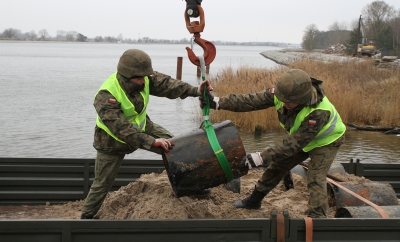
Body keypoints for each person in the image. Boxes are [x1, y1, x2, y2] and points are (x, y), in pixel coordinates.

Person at [81, 49, 212, 219]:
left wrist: (196, 90)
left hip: (143, 128)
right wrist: (152, 142)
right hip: (111, 142)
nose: (144, 81)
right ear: (126, 76)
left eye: (146, 76)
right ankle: (85, 217)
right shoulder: (106, 95)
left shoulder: (144, 77)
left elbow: (168, 85)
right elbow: (122, 129)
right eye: (139, 78)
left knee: (177, 148)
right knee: (102, 184)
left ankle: (192, 187)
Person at [200, 69, 346, 218]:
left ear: (303, 98)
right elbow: (250, 101)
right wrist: (218, 103)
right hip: (302, 139)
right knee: (277, 166)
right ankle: (254, 200)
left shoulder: (319, 112)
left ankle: (317, 218)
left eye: (289, 102)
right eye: (283, 99)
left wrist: (260, 157)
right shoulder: (281, 94)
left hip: (326, 142)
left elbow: (292, 145)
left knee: (315, 177)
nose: (284, 103)